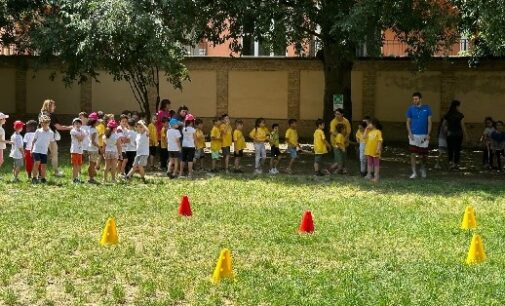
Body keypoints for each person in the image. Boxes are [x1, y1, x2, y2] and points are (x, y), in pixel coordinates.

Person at [39, 99, 71, 177]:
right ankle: (56, 171)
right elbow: (59, 127)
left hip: (41, 137)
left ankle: (40, 173)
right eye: (53, 105)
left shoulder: (41, 114)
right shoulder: (51, 115)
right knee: (54, 154)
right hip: (50, 138)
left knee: (41, 155)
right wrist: (70, 127)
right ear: (49, 106)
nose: (55, 107)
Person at [406, 92, 432, 179]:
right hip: (413, 135)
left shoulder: (427, 108)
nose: (414, 101)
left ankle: (423, 168)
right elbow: (408, 122)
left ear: (420, 99)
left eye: (416, 99)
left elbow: (429, 122)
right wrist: (409, 133)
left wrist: (428, 134)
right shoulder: (410, 109)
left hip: (424, 135)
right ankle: (414, 172)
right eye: (413, 99)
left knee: (423, 155)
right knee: (413, 154)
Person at [441, 100, 468, 170]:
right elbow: (463, 126)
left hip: (450, 134)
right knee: (457, 149)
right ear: (457, 106)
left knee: (450, 149)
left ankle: (450, 163)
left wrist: (447, 131)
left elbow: (443, 125)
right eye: (459, 106)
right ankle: (455, 163)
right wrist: (466, 135)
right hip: (459, 134)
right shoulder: (460, 115)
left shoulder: (447, 114)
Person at [31, 115, 55, 184]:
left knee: (44, 165)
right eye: (42, 122)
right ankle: (34, 178)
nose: (43, 124)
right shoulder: (38, 131)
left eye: (45, 122)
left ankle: (43, 178)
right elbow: (34, 140)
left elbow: (50, 144)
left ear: (48, 123)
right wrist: (31, 149)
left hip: (44, 151)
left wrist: (51, 152)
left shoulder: (51, 133)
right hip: (36, 150)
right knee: (37, 162)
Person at [364, 119, 383, 183]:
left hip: (375, 151)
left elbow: (380, 141)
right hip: (369, 151)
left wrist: (378, 149)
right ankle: (369, 174)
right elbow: (364, 137)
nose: (368, 125)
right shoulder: (369, 131)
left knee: (376, 164)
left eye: (370, 124)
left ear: (374, 125)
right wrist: (366, 129)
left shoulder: (378, 132)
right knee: (369, 163)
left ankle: (376, 176)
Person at [180, 114, 197, 178]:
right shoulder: (193, 130)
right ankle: (190, 174)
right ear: (192, 122)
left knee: (183, 159)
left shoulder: (183, 129)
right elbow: (195, 139)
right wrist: (196, 146)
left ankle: (181, 173)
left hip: (184, 146)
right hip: (191, 146)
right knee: (190, 160)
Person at [86, 113, 100, 184]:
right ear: (94, 122)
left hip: (89, 148)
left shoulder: (89, 128)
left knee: (91, 164)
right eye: (97, 121)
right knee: (92, 164)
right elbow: (93, 141)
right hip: (93, 149)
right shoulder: (94, 130)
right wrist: (99, 147)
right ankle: (91, 179)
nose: (98, 122)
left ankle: (90, 177)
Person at [70, 118, 85, 183]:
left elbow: (82, 137)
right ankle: (74, 179)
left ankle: (78, 178)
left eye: (79, 123)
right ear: (73, 125)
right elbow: (80, 138)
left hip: (80, 150)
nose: (78, 125)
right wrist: (81, 136)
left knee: (79, 165)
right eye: (76, 123)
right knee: (75, 165)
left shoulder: (82, 131)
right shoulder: (73, 131)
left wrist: (81, 137)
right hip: (74, 150)